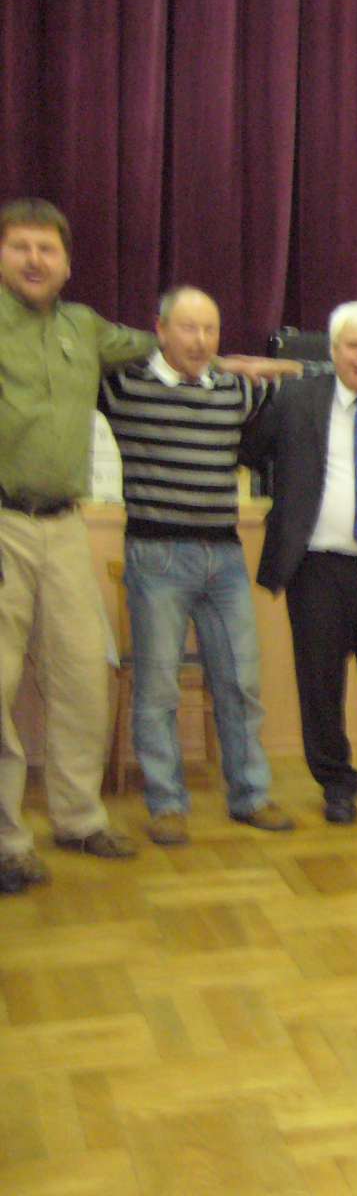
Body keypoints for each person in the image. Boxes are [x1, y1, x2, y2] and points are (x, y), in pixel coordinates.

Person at [100, 286, 297, 845]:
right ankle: (166, 804)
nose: (201, 340)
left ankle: (250, 795)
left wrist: (265, 364)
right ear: (159, 330)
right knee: (157, 689)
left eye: (210, 329)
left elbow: (309, 377)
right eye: (188, 328)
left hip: (225, 558)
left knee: (240, 683)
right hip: (155, 556)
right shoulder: (121, 387)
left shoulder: (234, 390)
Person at [0, 197, 150, 890]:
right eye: (20, 246)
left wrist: (227, 355)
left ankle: (79, 818)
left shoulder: (84, 327)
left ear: (67, 264)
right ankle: (6, 843)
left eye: (48, 249)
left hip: (63, 525)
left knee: (86, 671)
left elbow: (159, 344)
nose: (34, 260)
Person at [239, 302, 357, 824]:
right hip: (318, 571)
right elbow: (251, 449)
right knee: (320, 685)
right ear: (333, 349)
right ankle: (336, 784)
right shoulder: (297, 399)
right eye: (353, 345)